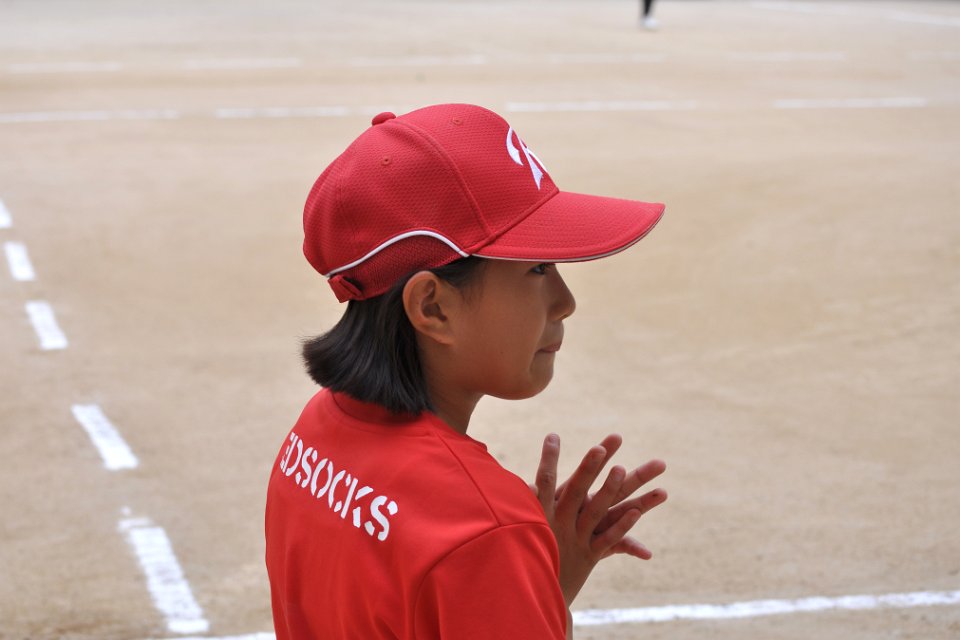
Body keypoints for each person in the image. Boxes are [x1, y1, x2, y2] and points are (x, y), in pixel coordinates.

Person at [265, 103, 668, 639]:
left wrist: (530, 590)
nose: (565, 301)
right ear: (433, 307)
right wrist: (512, 572)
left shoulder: (319, 428)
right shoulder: (482, 528)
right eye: (538, 268)